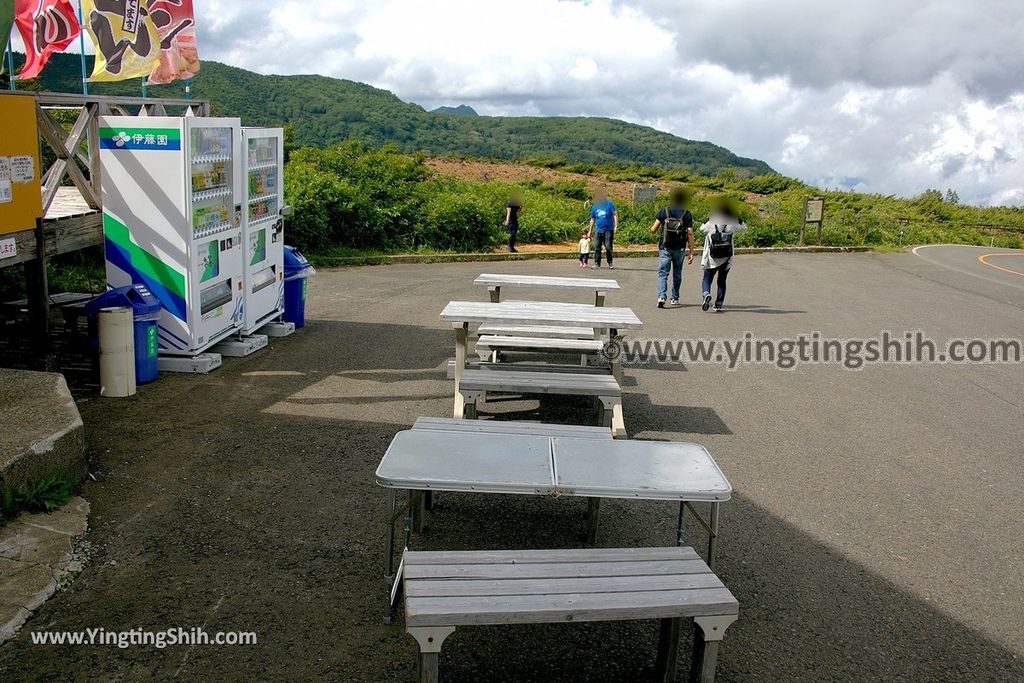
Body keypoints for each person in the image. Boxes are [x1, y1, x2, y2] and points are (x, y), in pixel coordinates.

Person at [699, 198, 747, 312]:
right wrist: (736, 217)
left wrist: (710, 217)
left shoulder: (711, 222)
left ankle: (706, 294)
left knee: (707, 279)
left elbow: (701, 229)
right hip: (727, 257)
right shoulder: (733, 222)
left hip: (712, 257)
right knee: (722, 281)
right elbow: (744, 227)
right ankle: (718, 304)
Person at [649, 187, 695, 308]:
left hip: (665, 247)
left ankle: (661, 296)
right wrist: (691, 251)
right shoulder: (686, 214)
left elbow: (653, 229)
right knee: (677, 273)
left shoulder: (664, 211)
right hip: (679, 248)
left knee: (663, 273)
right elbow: (690, 233)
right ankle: (675, 298)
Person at [588, 191, 617, 268]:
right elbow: (592, 219)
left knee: (608, 247)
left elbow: (614, 214)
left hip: (608, 230)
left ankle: (610, 262)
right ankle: (597, 263)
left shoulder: (609, 204)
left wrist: (616, 226)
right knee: (597, 247)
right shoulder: (595, 206)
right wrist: (590, 230)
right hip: (598, 230)